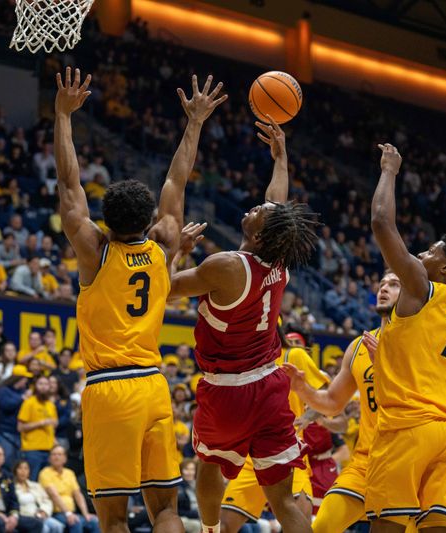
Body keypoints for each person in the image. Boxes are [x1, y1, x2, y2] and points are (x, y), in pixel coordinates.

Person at [55, 66, 226, 532]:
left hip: (110, 390)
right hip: (154, 385)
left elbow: (70, 188)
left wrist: (63, 116)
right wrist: (194, 122)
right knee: (166, 510)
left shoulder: (95, 252)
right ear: (150, 218)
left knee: (113, 518)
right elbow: (177, 181)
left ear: (103, 221)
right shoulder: (164, 243)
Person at [168, 119, 318, 533]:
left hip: (228, 390)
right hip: (271, 388)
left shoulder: (225, 266)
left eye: (260, 212)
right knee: (283, 500)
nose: (255, 206)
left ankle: (211, 531)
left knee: (209, 465)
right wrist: (281, 157)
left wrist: (178, 251)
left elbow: (160, 290)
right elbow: (278, 204)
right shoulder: (279, 257)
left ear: (260, 234)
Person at [362, 143, 446, 531]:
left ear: (445, 267)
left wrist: (389, 170)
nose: (421, 253)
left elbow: (382, 223)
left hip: (406, 428)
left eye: (431, 251)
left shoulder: (420, 285)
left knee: (387, 525)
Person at [285, 272, 401, 533]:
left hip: (404, 460)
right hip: (364, 462)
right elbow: (333, 402)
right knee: (322, 526)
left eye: (394, 285)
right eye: (381, 283)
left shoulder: (418, 341)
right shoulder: (359, 345)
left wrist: (383, 366)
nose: (383, 288)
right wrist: (303, 389)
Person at [219, 323, 335, 533]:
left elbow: (327, 392)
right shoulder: (247, 363)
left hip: (289, 452)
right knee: (224, 526)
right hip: (251, 457)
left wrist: (308, 416)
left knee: (299, 525)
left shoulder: (294, 355)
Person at [0, 444, 43, 533]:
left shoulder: (7, 475)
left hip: (6, 513)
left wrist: (14, 515)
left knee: (36, 523)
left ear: (4, 459)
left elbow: (14, 500)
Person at [38, 446, 99, 533]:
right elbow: (54, 495)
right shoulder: (45, 473)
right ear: (49, 458)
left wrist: (86, 514)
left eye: (59, 454)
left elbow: (78, 495)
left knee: (94, 521)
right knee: (75, 522)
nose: (56, 457)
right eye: (53, 454)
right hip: (56, 513)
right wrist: (68, 514)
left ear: (65, 458)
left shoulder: (69, 473)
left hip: (73, 512)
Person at [17, 375, 57, 479]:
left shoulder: (51, 405)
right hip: (32, 450)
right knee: (32, 481)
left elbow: (53, 425)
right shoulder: (29, 403)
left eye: (46, 384)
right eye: (40, 384)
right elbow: (20, 427)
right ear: (35, 386)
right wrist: (41, 423)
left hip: (49, 451)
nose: (43, 387)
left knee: (46, 484)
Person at [12, 459, 63, 533]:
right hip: (25, 516)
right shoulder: (12, 487)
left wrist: (44, 511)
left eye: (26, 468)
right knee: (45, 529)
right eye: (20, 468)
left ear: (29, 472)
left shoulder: (36, 486)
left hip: (40, 515)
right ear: (15, 471)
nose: (23, 471)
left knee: (58, 526)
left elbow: (47, 500)